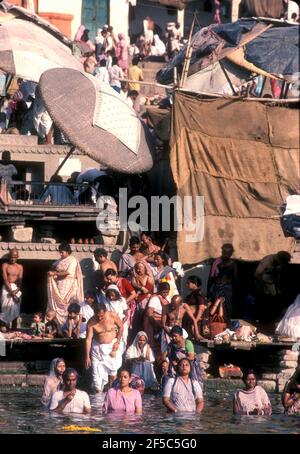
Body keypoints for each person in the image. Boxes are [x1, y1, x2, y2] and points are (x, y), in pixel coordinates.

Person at [85, 303, 123, 393]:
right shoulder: (91, 322)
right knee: (96, 377)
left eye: (102, 316)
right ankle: (98, 400)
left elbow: (121, 327)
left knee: (113, 371)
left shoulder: (112, 315)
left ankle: (112, 393)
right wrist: (87, 356)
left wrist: (117, 342)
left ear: (105, 312)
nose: (100, 318)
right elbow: (88, 340)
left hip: (112, 346)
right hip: (97, 349)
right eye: (98, 316)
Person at [47, 242, 84, 327]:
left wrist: (55, 273)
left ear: (67, 252)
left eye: (62, 252)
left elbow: (68, 272)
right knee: (56, 304)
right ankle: (57, 326)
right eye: (60, 252)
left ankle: (68, 326)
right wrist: (52, 271)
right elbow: (53, 266)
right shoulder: (60, 260)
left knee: (65, 304)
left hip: (68, 285)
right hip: (59, 284)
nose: (60, 254)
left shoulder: (72, 260)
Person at [144, 282, 170, 357]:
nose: (165, 294)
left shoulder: (167, 298)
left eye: (167, 292)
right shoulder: (155, 298)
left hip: (161, 324)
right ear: (159, 290)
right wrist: (156, 325)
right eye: (163, 292)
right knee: (153, 343)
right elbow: (149, 313)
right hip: (152, 324)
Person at [0, 249, 23, 330]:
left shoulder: (20, 267)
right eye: (11, 257)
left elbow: (20, 281)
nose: (13, 259)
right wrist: (13, 294)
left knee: (15, 310)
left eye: (14, 257)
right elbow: (5, 279)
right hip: (7, 289)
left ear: (17, 257)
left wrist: (16, 292)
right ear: (9, 256)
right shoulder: (5, 265)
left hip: (16, 289)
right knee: (5, 308)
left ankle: (14, 329)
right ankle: (3, 327)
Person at [104, 284, 129, 351]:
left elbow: (126, 315)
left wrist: (121, 324)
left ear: (116, 294)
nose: (111, 297)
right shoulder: (106, 301)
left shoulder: (122, 300)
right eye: (110, 296)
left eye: (113, 295)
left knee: (122, 340)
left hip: (122, 323)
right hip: (111, 324)